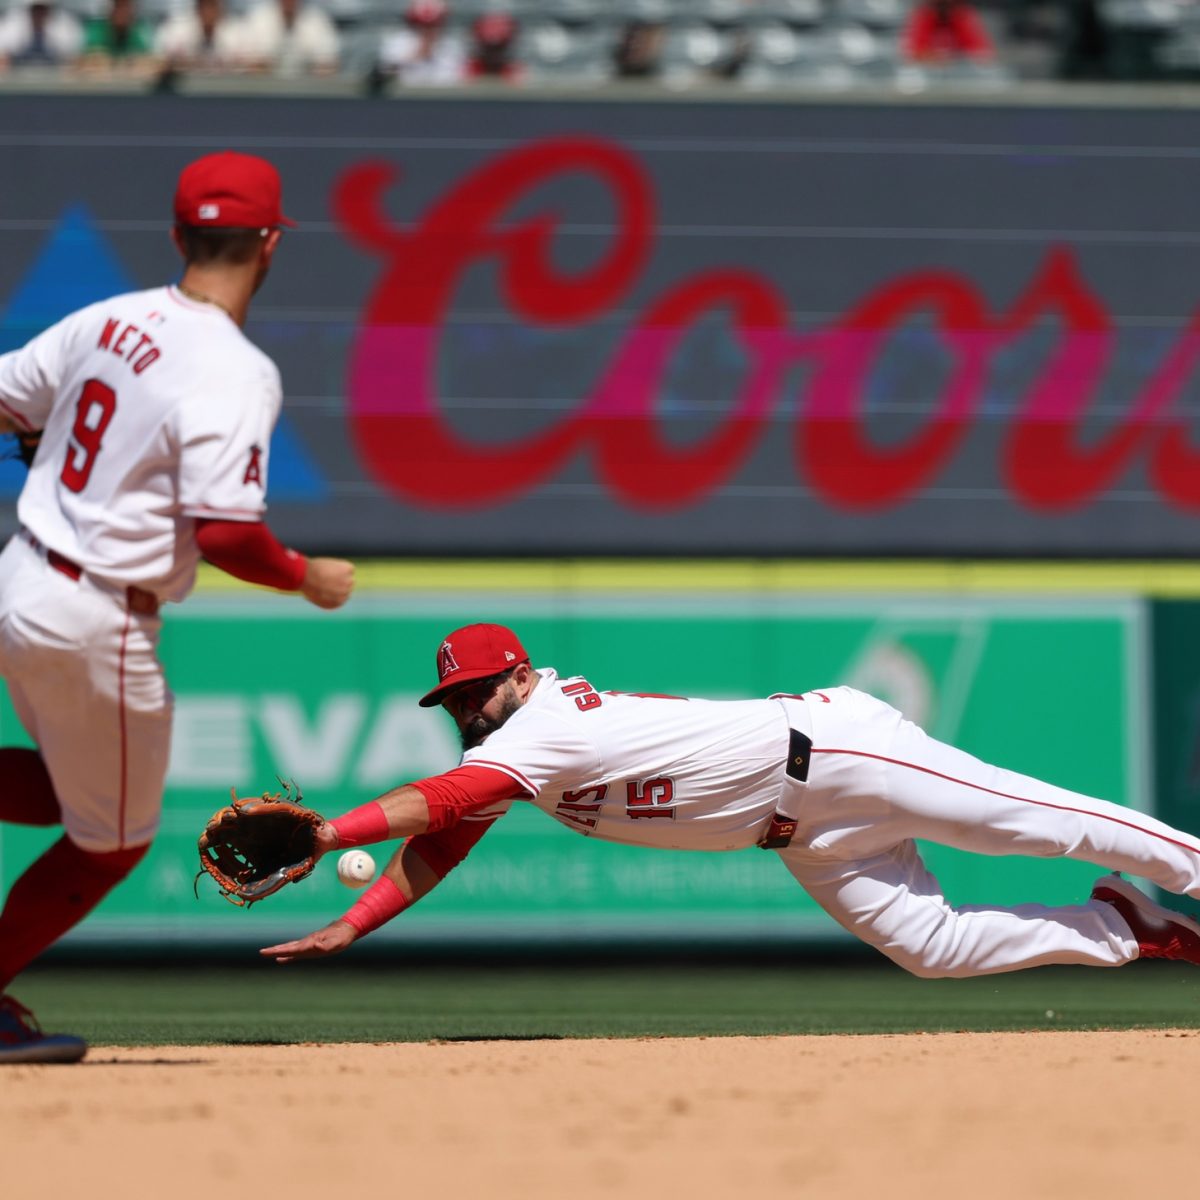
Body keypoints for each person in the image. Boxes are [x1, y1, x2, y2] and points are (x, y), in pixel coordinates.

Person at [263, 622, 1200, 977]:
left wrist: (332, 831)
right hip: (800, 830)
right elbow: (448, 836)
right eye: (452, 701)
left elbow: (439, 799)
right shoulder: (521, 748)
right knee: (934, 949)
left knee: (1050, 825)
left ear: (516, 675)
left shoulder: (544, 724)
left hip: (841, 756)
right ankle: (1128, 927)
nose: (464, 708)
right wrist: (356, 923)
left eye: (474, 691)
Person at [0, 151, 355, 1063]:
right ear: (271, 243)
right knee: (113, 841)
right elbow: (231, 537)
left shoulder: (110, 320)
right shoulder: (235, 370)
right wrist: (307, 576)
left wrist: (54, 438)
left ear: (176, 235)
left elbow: (10, 401)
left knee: (64, 796)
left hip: (22, 575)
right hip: (98, 616)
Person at [374, 0, 465, 88]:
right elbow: (385, 75)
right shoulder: (397, 44)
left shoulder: (452, 45)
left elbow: (461, 80)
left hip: (446, 98)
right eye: (421, 24)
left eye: (434, 24)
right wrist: (417, 56)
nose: (427, 29)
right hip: (405, 98)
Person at [239, 0, 340, 76]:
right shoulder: (258, 17)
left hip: (306, 92)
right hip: (264, 92)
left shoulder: (317, 19)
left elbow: (328, 66)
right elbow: (249, 66)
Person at [154, 0, 248, 76]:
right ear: (197, 9)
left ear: (221, 9)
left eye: (212, 6)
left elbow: (255, 67)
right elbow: (159, 64)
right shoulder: (179, 30)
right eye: (204, 7)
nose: (208, 12)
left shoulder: (236, 32)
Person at [76, 0, 157, 77]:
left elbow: (144, 60)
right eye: (118, 7)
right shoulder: (97, 29)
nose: (122, 13)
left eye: (126, 8)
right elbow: (89, 59)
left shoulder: (138, 30)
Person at [902, 0, 995, 62]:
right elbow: (912, 53)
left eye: (948, 5)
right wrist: (937, 58)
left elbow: (982, 54)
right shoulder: (924, 16)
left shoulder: (962, 16)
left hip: (962, 75)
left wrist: (950, 59)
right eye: (940, 5)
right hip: (928, 76)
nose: (944, 9)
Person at [0, 0, 83, 70]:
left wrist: (47, 32)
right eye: (35, 9)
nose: (39, 14)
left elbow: (72, 57)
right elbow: (4, 55)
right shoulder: (11, 23)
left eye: (43, 10)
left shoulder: (65, 24)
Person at [464, 11, 522, 81]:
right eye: (488, 48)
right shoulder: (462, 73)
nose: (494, 55)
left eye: (499, 48)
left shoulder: (519, 75)